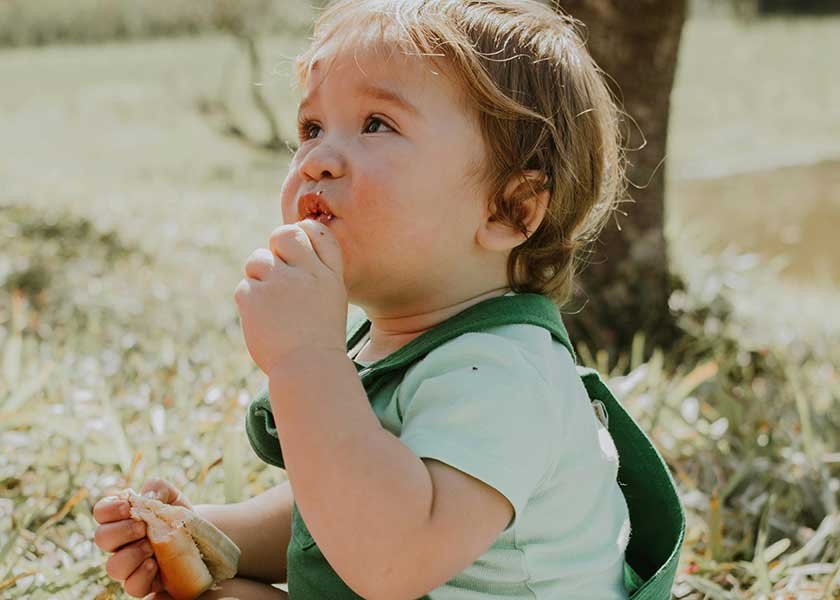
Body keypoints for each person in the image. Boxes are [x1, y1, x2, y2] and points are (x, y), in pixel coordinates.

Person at [93, 0, 653, 597]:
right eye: (311, 129)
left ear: (509, 208)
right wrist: (205, 531)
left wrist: (306, 358)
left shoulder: (503, 374)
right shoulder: (407, 346)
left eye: (377, 124)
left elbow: (392, 557)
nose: (318, 160)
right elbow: (331, 502)